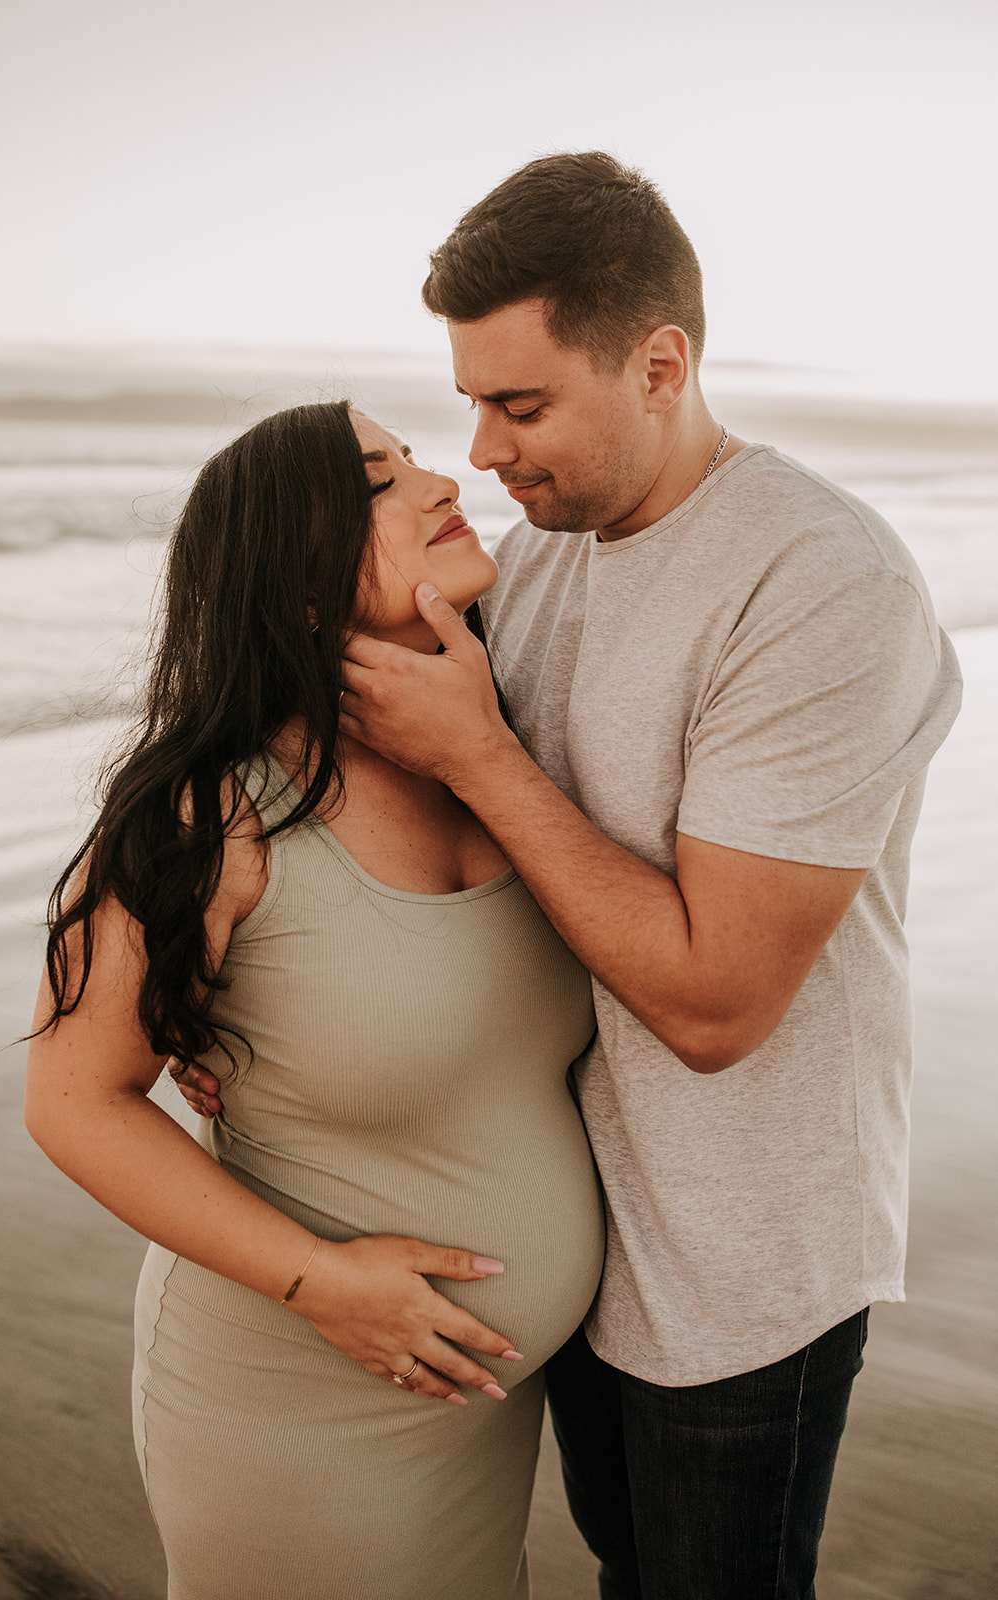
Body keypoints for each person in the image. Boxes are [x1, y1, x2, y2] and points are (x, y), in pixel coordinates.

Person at [320, 154, 964, 1597]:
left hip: (741, 1263)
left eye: (520, 403)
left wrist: (482, 754)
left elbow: (714, 1003)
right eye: (471, 400)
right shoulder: (545, 553)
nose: (478, 450)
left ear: (659, 362)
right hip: (571, 1226)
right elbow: (425, 840)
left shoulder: (814, 585)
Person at [24, 400, 606, 1600]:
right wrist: (320, 1281)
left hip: (480, 1412)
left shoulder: (495, 751)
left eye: (412, 457)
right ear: (291, 579)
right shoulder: (207, 817)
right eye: (377, 478)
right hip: (294, 1399)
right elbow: (74, 1100)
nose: (439, 477)